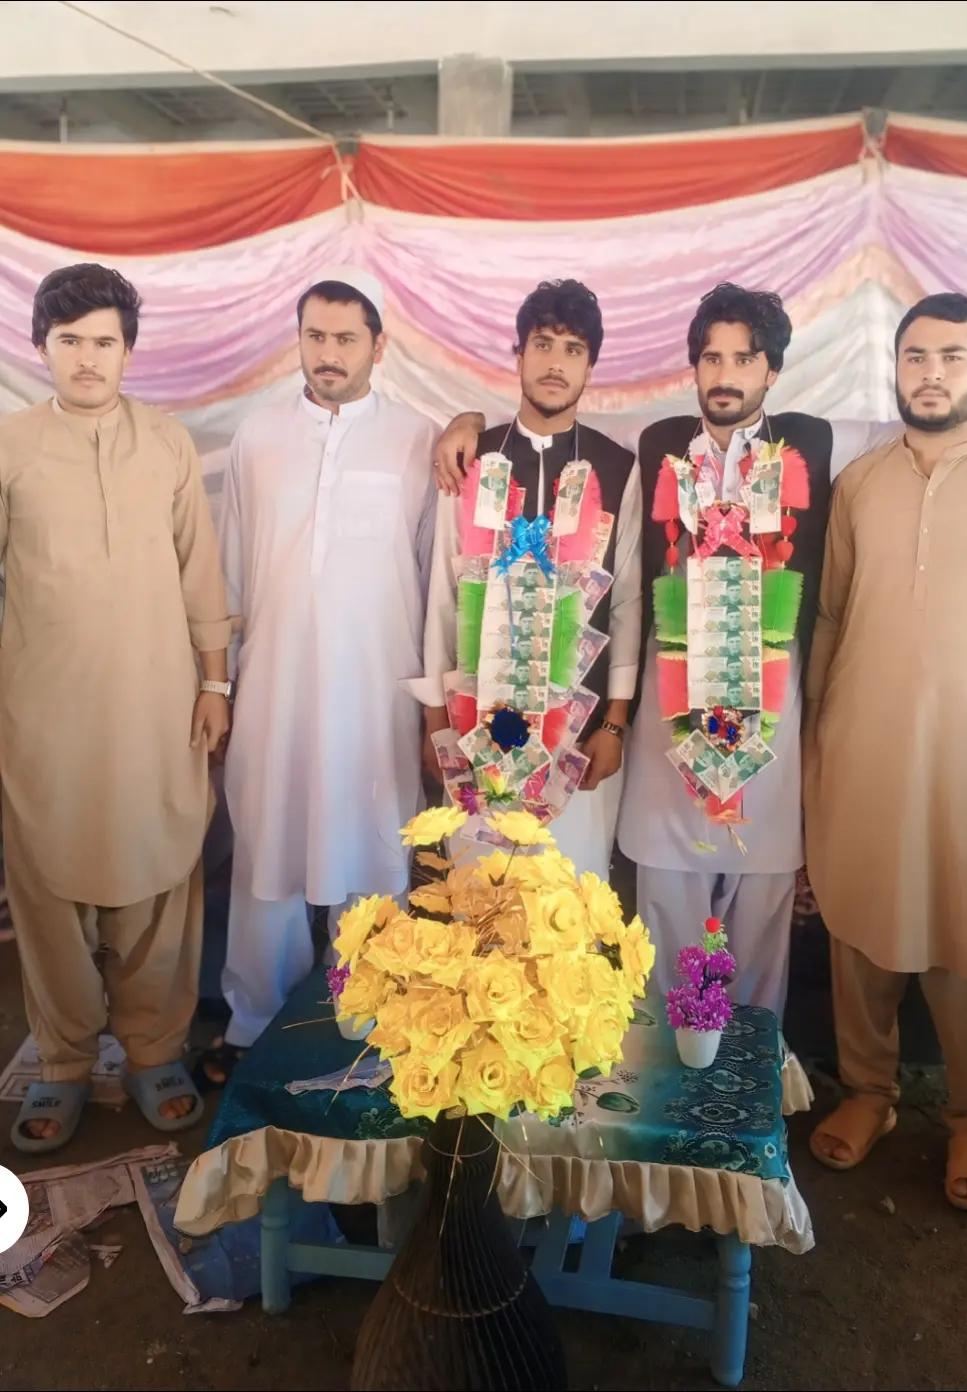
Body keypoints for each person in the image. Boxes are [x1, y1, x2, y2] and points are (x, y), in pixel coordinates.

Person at [434, 282, 967, 1014]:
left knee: (760, 941)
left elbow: (934, 415)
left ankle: (755, 1067)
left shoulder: (818, 440)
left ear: (773, 370)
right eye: (712, 358)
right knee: (660, 940)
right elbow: (552, 411)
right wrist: (465, 421)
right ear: (694, 368)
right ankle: (662, 1066)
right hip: (668, 737)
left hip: (772, 734)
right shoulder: (655, 442)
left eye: (745, 359)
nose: (725, 375)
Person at [804, 293, 967, 1213]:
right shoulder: (860, 482)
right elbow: (830, 617)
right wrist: (814, 740)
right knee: (858, 923)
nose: (932, 374)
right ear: (896, 367)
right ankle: (869, 1092)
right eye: (916, 356)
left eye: (952, 357)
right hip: (860, 744)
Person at [1, 263, 231, 1152]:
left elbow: (200, 573)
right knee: (49, 885)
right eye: (70, 342)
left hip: (156, 707)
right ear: (42, 347)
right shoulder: (13, 446)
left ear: (129, 351)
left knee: (158, 870)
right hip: (41, 714)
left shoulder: (167, 444)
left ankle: (153, 1048)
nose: (88, 359)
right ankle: (63, 1060)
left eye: (104, 342)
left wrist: (215, 685)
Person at [202, 268, 438, 1081]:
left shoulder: (418, 438)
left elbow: (434, 578)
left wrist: (431, 707)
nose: (328, 353)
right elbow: (231, 571)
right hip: (274, 685)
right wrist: (221, 685)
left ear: (378, 344)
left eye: (345, 338)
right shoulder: (258, 437)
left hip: (379, 691)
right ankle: (252, 1023)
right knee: (267, 845)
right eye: (314, 336)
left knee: (372, 849)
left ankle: (369, 1016)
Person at [415, 280, 641, 879]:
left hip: (577, 737)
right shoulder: (471, 460)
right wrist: (435, 722)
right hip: (472, 731)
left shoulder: (617, 468)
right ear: (518, 354)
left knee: (571, 903)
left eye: (573, 349)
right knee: (479, 899)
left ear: (591, 365)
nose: (555, 363)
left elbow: (627, 604)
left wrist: (614, 723)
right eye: (542, 344)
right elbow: (442, 597)